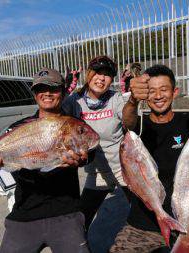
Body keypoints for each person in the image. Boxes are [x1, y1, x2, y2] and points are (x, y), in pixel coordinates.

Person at [110, 61, 189, 253]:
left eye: (164, 89)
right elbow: (128, 121)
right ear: (144, 95)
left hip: (187, 224)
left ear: (175, 92)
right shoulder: (138, 129)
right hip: (142, 226)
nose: (158, 96)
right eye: (151, 91)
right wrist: (133, 100)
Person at [0, 68, 90, 253]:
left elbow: (89, 151)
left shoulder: (74, 124)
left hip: (66, 213)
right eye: (41, 88)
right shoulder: (17, 128)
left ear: (62, 92)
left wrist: (82, 159)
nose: (47, 93)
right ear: (35, 94)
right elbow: (9, 163)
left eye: (53, 88)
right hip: (25, 212)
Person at [62, 55, 128, 231]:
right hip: (97, 173)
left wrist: (134, 102)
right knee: (80, 222)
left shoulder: (117, 99)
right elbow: (55, 119)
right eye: (97, 72)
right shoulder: (74, 101)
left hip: (123, 169)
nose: (101, 78)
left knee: (146, 212)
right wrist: (64, 92)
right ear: (89, 73)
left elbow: (131, 122)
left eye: (107, 75)